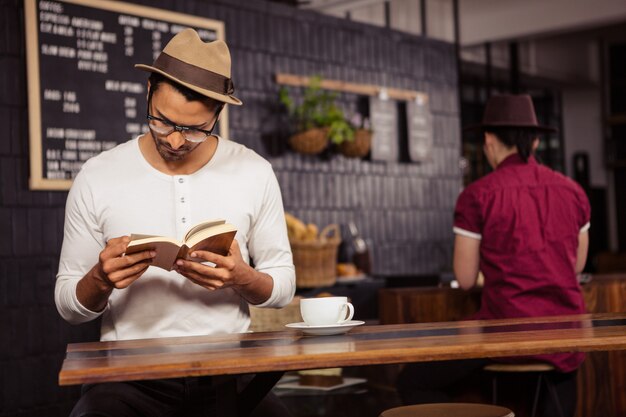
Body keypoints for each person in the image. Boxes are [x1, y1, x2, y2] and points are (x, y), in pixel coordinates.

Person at [55, 28, 295, 417]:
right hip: (126, 378)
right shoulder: (97, 175)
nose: (177, 141)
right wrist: (100, 278)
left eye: (195, 130)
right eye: (163, 122)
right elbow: (68, 305)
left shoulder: (254, 172)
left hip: (229, 375)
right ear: (149, 91)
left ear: (218, 114)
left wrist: (241, 277)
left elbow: (283, 287)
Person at [397, 95, 590, 417]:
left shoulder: (477, 195)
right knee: (559, 365)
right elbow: (577, 264)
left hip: (505, 331)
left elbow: (466, 278)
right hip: (566, 336)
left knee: (412, 381)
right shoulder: (573, 191)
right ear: (536, 141)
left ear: (488, 140)